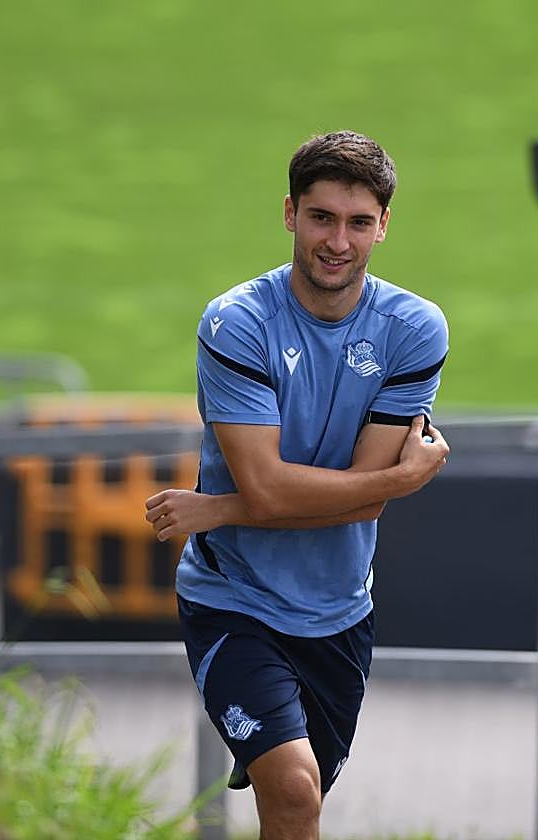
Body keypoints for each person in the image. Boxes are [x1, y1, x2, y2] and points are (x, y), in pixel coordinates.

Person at [144, 130, 449, 839]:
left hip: (340, 615)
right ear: (289, 214)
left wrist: (218, 508)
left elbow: (367, 494)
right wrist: (400, 479)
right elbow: (284, 488)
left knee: (298, 807)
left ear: (383, 226)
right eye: (321, 217)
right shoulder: (237, 324)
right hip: (233, 603)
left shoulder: (414, 330)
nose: (337, 241)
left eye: (358, 222)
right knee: (292, 786)